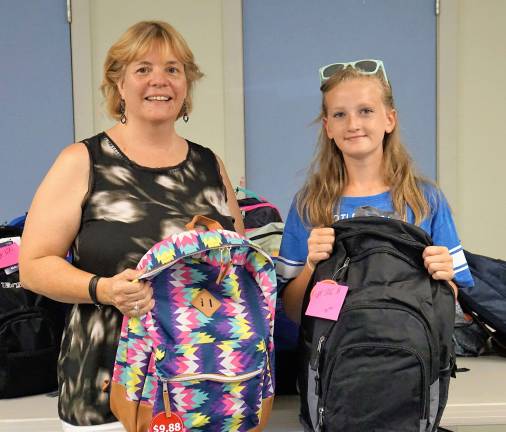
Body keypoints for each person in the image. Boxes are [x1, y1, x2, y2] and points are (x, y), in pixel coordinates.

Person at [19, 20, 244, 431]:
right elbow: (33, 266)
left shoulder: (212, 166)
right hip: (104, 387)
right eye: (143, 69)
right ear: (119, 84)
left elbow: (237, 272)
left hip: (202, 387)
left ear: (186, 84)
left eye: (173, 69)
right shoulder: (82, 160)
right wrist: (103, 289)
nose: (160, 80)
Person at [276, 59, 474, 323]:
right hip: (335, 360)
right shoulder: (309, 203)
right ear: (328, 127)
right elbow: (292, 313)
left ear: (389, 119)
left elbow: (452, 308)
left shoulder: (425, 199)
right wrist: (311, 266)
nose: (353, 124)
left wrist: (444, 277)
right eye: (339, 114)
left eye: (366, 111)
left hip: (410, 358)